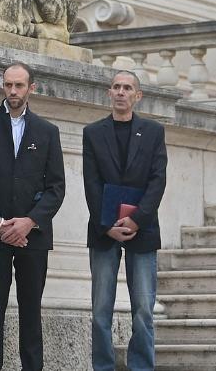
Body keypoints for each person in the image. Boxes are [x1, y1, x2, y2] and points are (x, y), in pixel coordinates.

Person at [0, 62, 66, 371]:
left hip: (32, 237)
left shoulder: (48, 132)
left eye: (19, 85)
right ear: (2, 86)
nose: (13, 91)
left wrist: (29, 221)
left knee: (31, 311)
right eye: (8, 84)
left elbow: (56, 188)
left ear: (31, 88)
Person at [82, 70, 167, 371]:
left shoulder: (154, 132)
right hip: (103, 230)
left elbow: (158, 181)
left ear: (137, 95)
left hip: (142, 229)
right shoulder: (92, 132)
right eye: (116, 87)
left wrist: (136, 220)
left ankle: (141, 366)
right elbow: (90, 182)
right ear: (109, 92)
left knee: (144, 308)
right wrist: (107, 226)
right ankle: (103, 367)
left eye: (127, 87)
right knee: (99, 310)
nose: (121, 92)